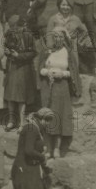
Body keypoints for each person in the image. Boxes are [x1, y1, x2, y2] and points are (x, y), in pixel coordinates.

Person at [9, 108, 55, 189]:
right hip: (23, 170)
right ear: (40, 118)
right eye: (46, 120)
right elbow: (29, 150)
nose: (48, 123)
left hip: (30, 169)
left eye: (50, 120)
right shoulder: (31, 129)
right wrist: (43, 157)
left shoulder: (36, 129)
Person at [39, 29, 82, 158]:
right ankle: (47, 148)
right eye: (55, 36)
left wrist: (62, 74)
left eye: (60, 37)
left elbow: (73, 72)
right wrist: (47, 72)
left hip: (61, 87)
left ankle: (56, 148)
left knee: (59, 115)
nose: (57, 39)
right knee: (47, 116)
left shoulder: (67, 53)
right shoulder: (47, 51)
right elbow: (40, 68)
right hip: (47, 87)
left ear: (64, 38)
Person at [3, 15, 37, 130]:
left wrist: (19, 56)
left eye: (15, 26)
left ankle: (22, 122)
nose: (13, 29)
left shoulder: (28, 35)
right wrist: (7, 52)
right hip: (12, 66)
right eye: (11, 26)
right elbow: (6, 47)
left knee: (21, 95)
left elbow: (33, 52)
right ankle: (11, 120)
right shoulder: (8, 34)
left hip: (23, 67)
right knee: (10, 95)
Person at [46, 0, 93, 69]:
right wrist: (50, 47)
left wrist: (84, 43)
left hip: (72, 48)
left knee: (73, 67)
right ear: (59, 5)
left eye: (68, 5)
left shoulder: (75, 19)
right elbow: (48, 34)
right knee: (57, 67)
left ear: (71, 7)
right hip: (57, 47)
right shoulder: (53, 19)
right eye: (63, 5)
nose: (65, 7)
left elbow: (84, 32)